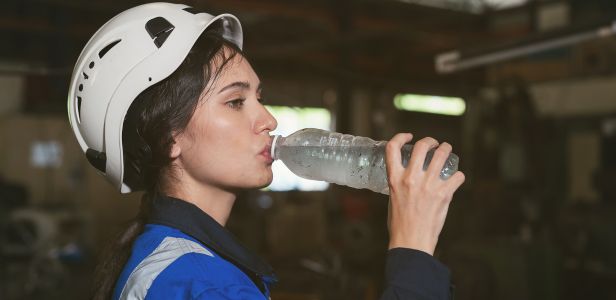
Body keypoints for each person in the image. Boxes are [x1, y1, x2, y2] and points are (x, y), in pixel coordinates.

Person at [67, 3, 465, 300]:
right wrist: (412, 250)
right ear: (170, 137)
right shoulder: (195, 284)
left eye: (259, 97)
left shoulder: (185, 265)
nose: (269, 120)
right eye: (235, 102)